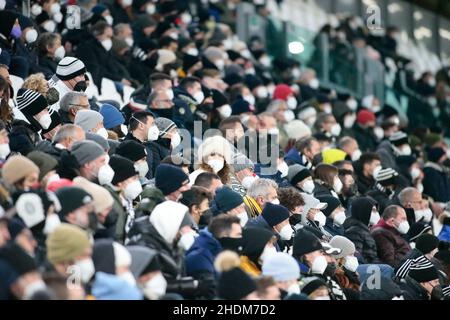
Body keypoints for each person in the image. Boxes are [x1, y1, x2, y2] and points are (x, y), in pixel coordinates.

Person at [185, 214, 242, 299]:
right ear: (224, 236)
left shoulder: (218, 251)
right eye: (238, 235)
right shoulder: (199, 256)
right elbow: (210, 292)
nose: (241, 238)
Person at [292, 229, 346, 300]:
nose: (322, 256)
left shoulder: (306, 272)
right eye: (320, 252)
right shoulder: (296, 276)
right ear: (307, 255)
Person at [343, 197, 380, 264]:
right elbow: (356, 256)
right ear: (364, 211)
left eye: (377, 211)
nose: (377, 214)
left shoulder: (365, 229)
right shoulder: (354, 231)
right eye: (373, 210)